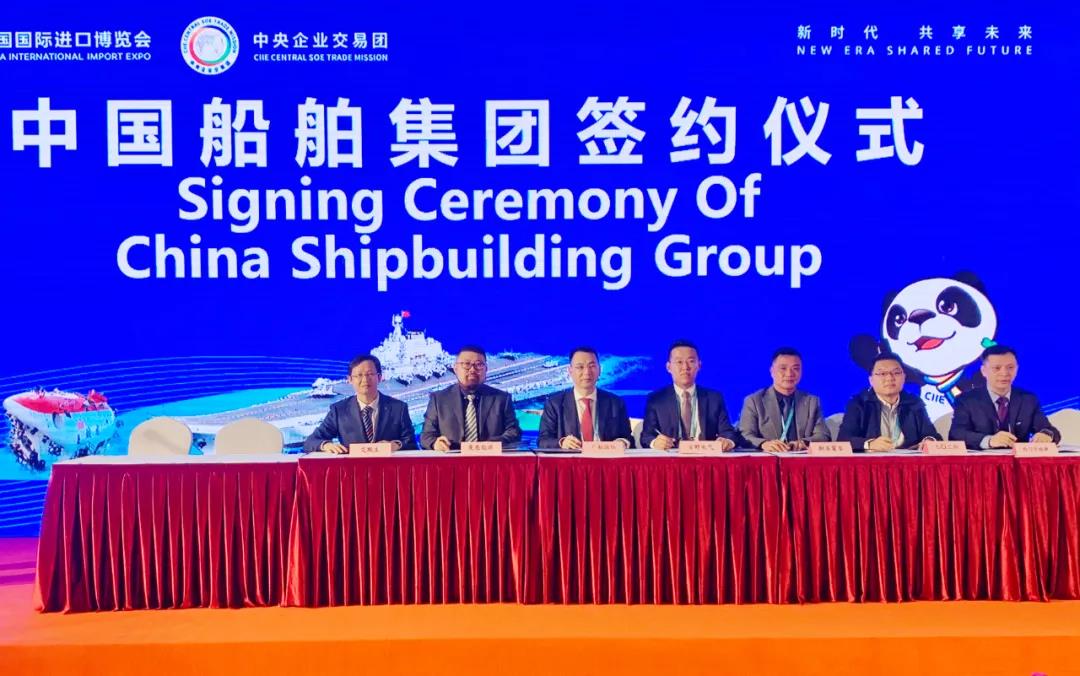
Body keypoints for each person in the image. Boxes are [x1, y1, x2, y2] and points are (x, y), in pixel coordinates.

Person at [949, 345, 1060, 449]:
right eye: (997, 368)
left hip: (1018, 461)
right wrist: (989, 441)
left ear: (1017, 369)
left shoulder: (1028, 399)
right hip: (982, 461)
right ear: (983, 371)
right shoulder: (966, 400)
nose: (1004, 373)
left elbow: (1050, 430)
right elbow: (956, 434)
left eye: (1010, 367)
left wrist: (1046, 435)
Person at [303, 354, 417, 453]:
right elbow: (311, 442)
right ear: (350, 380)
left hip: (387, 468)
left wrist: (396, 445)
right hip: (352, 469)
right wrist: (326, 445)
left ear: (379, 377)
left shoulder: (399, 408)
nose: (365, 380)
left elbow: (412, 444)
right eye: (359, 375)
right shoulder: (339, 410)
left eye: (370, 374)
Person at [640, 340, 739, 451]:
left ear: (699, 365)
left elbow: (728, 432)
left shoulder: (714, 398)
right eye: (679, 362)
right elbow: (646, 437)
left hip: (705, 455)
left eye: (691, 361)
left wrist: (727, 441)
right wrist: (655, 442)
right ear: (668, 367)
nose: (685, 367)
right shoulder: (656, 399)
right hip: (671, 456)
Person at [420, 345, 522, 450]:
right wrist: (435, 443)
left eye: (479, 364)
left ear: (486, 369)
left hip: (489, 458)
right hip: (452, 458)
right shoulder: (438, 399)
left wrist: (490, 446)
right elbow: (426, 436)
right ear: (455, 369)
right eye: (466, 364)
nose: (472, 369)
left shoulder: (502, 399)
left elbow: (514, 432)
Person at [837, 352, 940, 452]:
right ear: (871, 380)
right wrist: (869, 444)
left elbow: (932, 435)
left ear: (904, 377)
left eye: (896, 373)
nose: (890, 378)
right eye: (882, 373)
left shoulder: (914, 403)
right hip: (872, 461)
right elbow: (843, 440)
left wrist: (929, 441)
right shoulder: (859, 404)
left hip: (908, 461)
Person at [538, 346, 633, 449]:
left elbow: (628, 438)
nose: (587, 372)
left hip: (606, 458)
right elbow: (543, 441)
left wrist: (622, 442)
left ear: (599, 369)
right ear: (570, 371)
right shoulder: (554, 404)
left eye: (592, 366)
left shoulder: (616, 403)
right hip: (571, 458)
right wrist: (562, 443)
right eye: (580, 367)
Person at [738, 347, 829, 452]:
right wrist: (763, 444)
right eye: (783, 368)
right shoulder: (754, 401)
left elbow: (823, 435)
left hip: (800, 458)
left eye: (795, 368)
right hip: (769, 458)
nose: (789, 374)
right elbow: (745, 435)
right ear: (772, 371)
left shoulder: (811, 401)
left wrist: (804, 442)